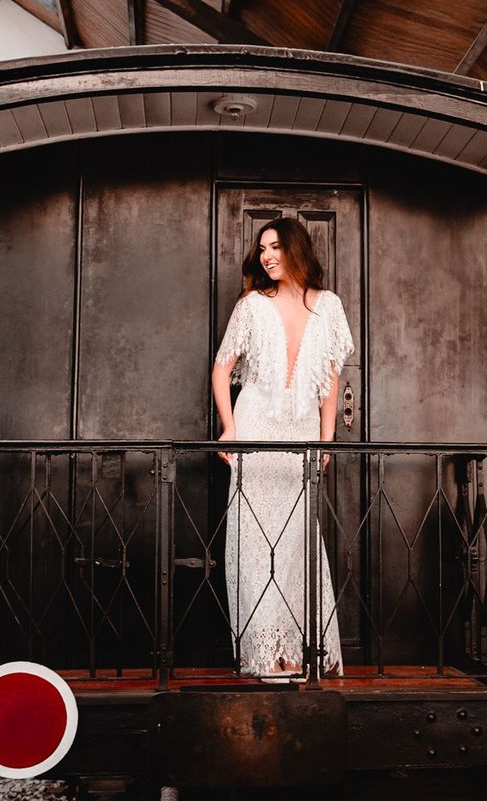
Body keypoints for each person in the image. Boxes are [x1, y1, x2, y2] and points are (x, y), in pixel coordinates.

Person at [211, 217, 352, 678]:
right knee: (254, 543)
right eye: (262, 248)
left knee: (295, 544)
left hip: (302, 433)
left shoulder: (328, 306)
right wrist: (229, 428)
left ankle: (295, 651)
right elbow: (221, 369)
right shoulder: (252, 304)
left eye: (275, 247)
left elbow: (331, 380)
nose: (267, 256)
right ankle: (264, 653)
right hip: (256, 429)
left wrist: (326, 440)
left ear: (296, 249)